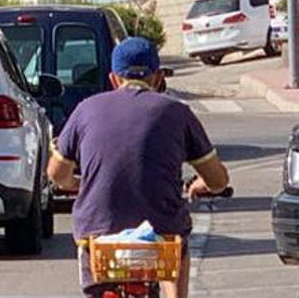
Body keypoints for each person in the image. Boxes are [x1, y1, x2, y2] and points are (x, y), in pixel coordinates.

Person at [46, 37, 230, 298]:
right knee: (177, 244)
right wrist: (201, 184)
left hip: (98, 234)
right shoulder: (177, 112)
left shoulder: (85, 110)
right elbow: (218, 180)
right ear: (156, 78)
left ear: (113, 78)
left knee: (96, 280)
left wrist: (78, 184)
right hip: (161, 231)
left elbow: (56, 173)